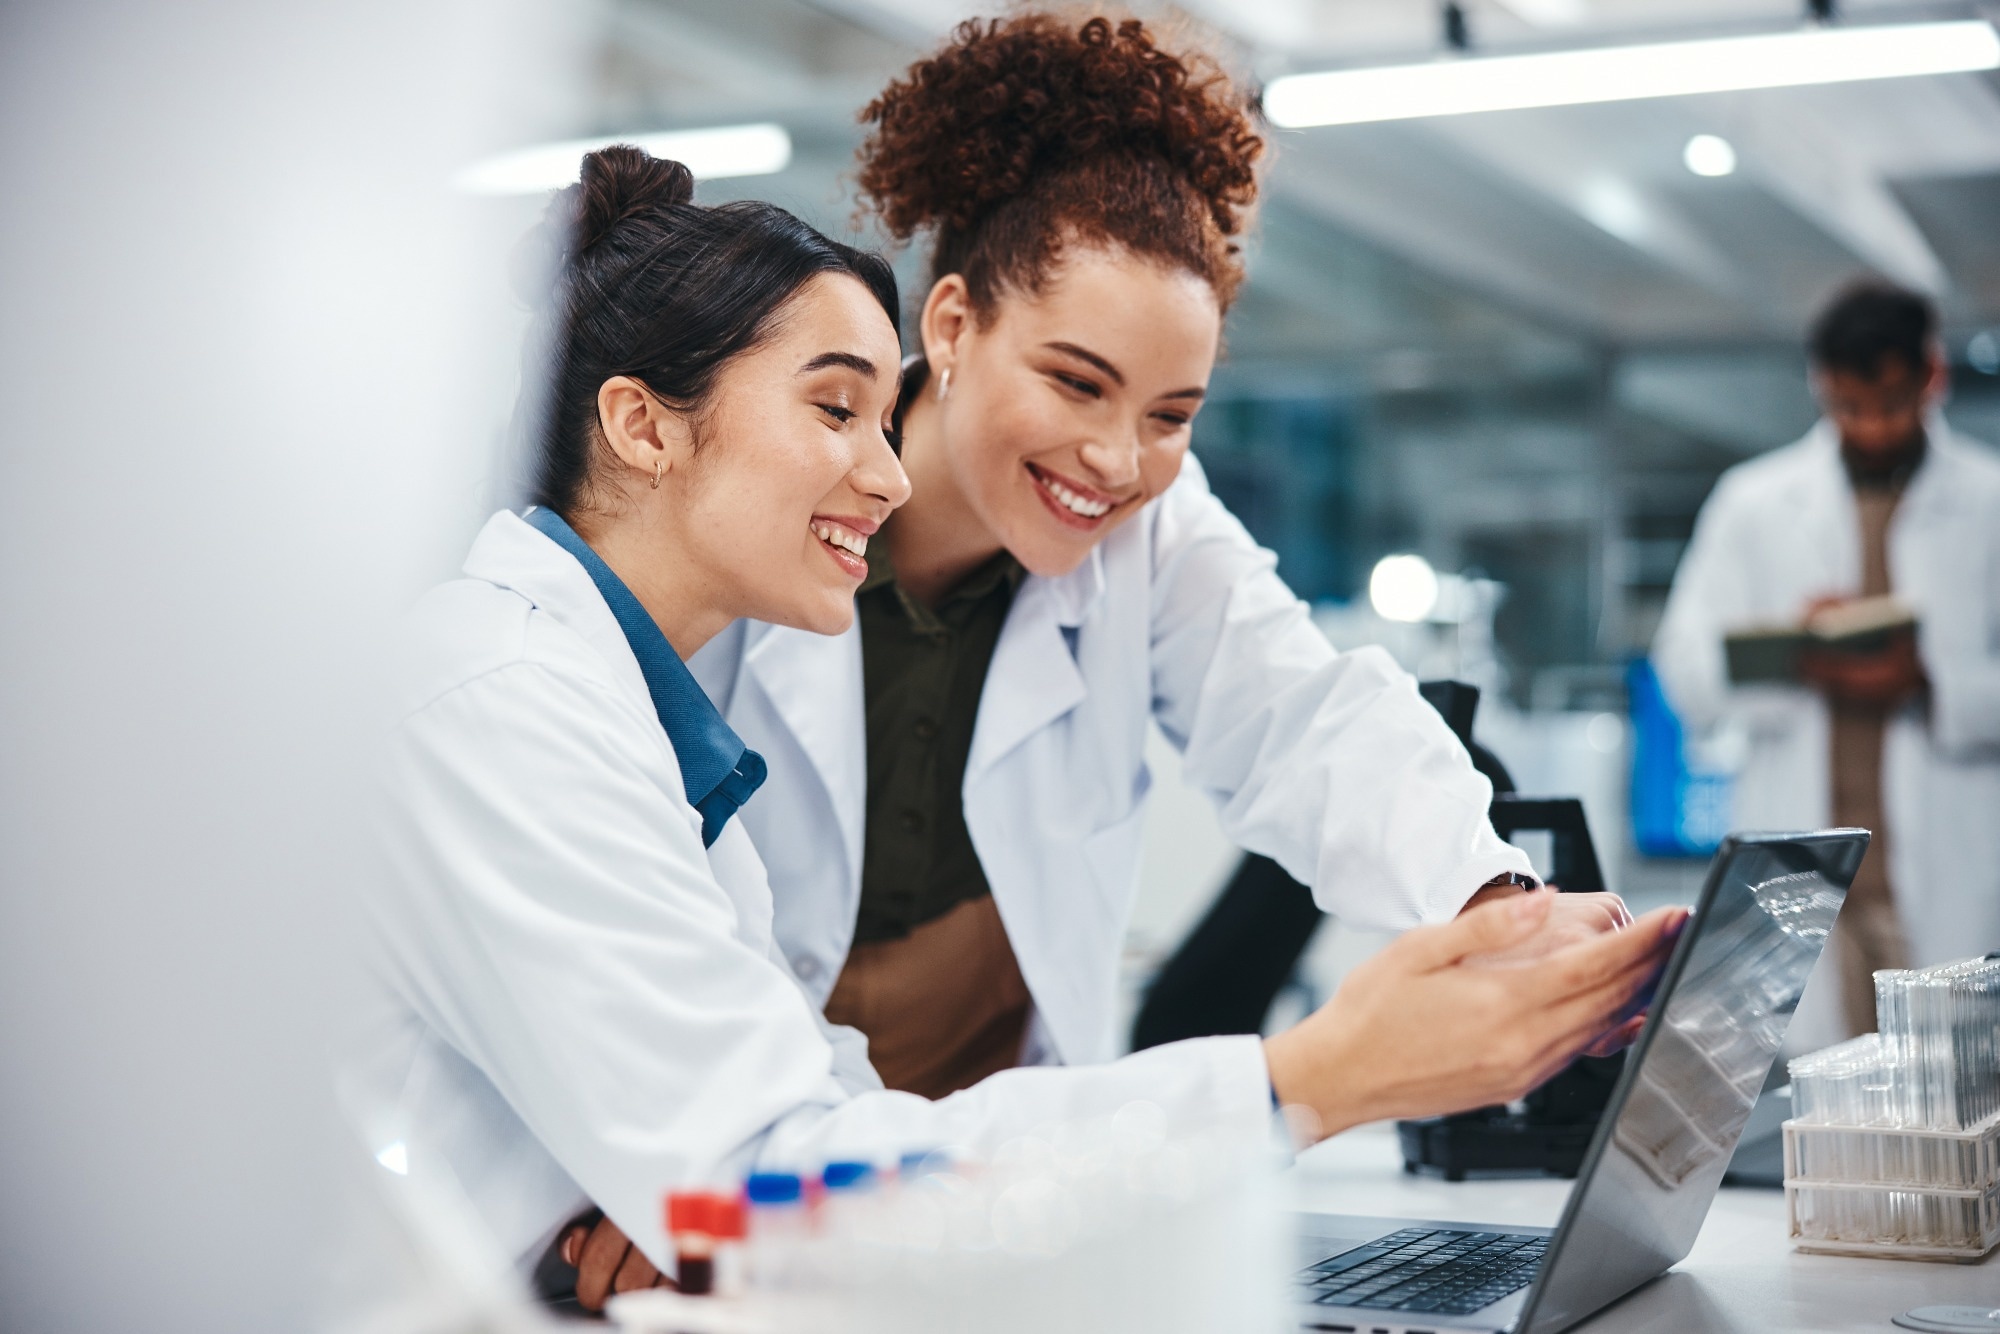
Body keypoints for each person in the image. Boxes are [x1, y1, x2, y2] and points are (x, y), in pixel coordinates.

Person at [365, 143, 1680, 1310]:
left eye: (1171, 417)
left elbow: (1310, 719)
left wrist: (1502, 907)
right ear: (643, 424)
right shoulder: (520, 701)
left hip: (904, 1205)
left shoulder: (621, 700)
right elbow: (758, 1172)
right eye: (839, 410)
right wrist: (1311, 1078)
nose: (1120, 460)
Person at [1654, 280, 2000, 1033]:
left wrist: (1931, 682)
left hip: (1944, 857)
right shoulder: (1753, 502)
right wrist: (1795, 654)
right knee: (1808, 1095)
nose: (1871, 426)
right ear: (1821, 387)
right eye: (1849, 405)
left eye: (1891, 402)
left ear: (1931, 378)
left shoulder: (1989, 501)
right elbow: (1684, 666)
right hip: (1801, 865)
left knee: (1948, 1101)